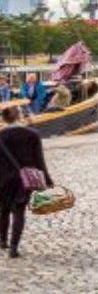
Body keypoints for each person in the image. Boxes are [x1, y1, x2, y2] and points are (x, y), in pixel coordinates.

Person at [0, 104, 51, 258]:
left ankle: (2, 241)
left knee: (3, 210)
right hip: (24, 179)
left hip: (2, 179)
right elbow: (39, 160)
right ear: (19, 116)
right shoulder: (32, 133)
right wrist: (47, 180)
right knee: (19, 212)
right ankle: (14, 248)